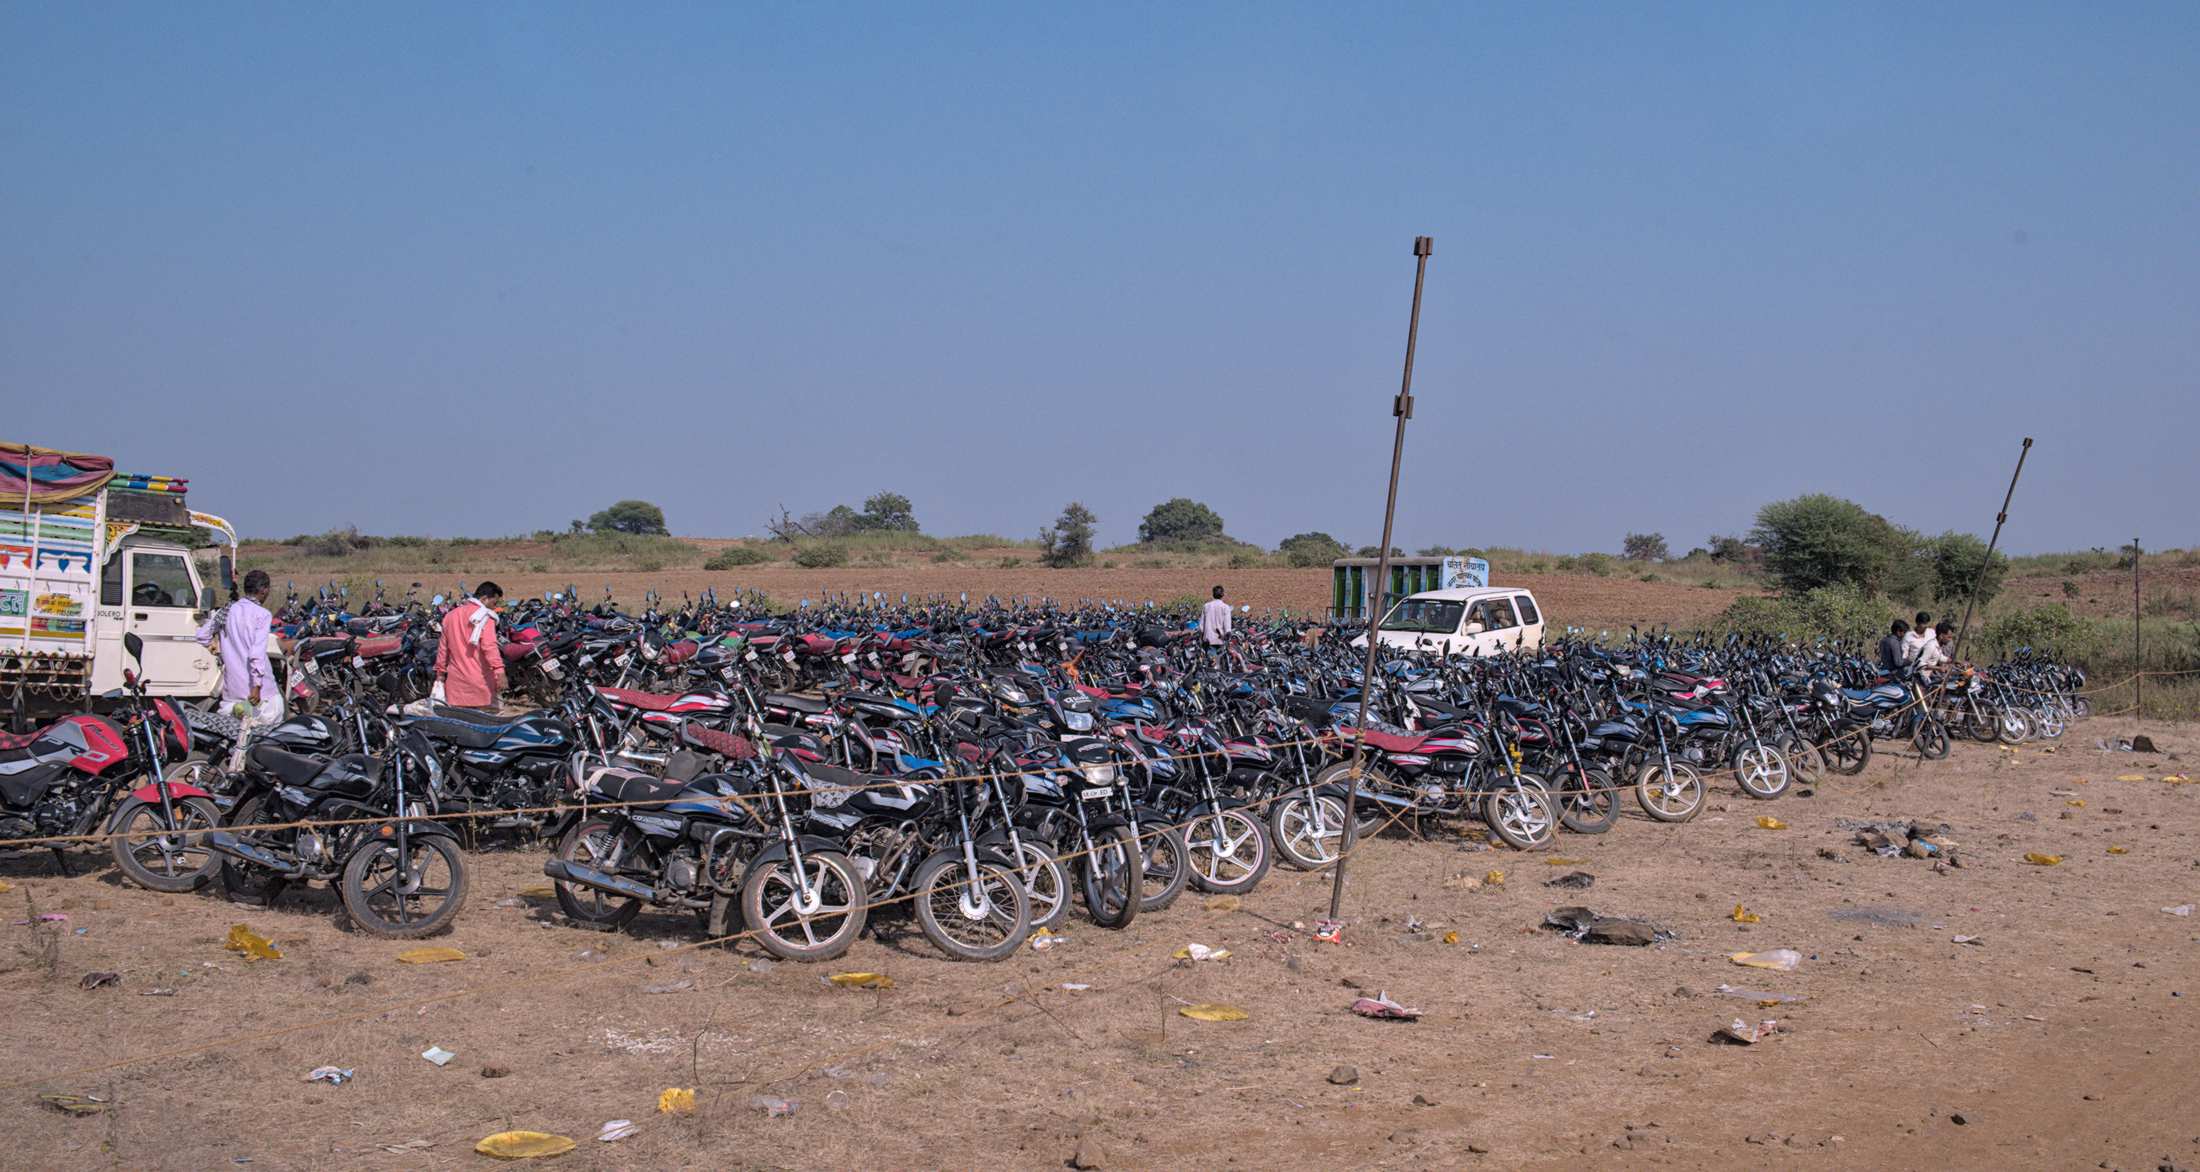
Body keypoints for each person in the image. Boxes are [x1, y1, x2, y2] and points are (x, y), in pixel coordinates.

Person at [199, 569, 281, 724]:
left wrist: (217, 650)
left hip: (232, 692)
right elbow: (256, 654)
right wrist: (257, 686)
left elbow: (202, 635)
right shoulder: (262, 614)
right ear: (264, 590)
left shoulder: (226, 610)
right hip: (259, 695)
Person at [436, 580, 507, 710]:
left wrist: (440, 674)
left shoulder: (450, 616)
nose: (494, 607)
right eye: (494, 603)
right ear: (484, 599)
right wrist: (500, 672)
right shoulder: (485, 617)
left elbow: (443, 649)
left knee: (459, 720)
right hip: (480, 684)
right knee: (486, 719)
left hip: (455, 685)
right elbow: (489, 647)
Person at [1199, 585, 1232, 656]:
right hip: (1220, 639)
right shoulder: (1225, 607)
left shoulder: (1206, 606)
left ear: (1213, 594)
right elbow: (1227, 625)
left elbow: (1201, 626)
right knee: (1220, 660)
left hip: (1208, 639)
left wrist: (1201, 638)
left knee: (1211, 660)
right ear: (1222, 594)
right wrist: (1227, 634)